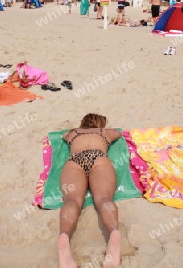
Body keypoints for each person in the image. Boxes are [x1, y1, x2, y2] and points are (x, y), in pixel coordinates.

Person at [58, 113, 122, 268]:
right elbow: (118, 132)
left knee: (72, 200)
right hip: (98, 157)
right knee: (104, 199)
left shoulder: (74, 133)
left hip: (75, 160)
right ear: (101, 124)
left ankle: (64, 237)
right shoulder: (103, 132)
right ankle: (114, 232)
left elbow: (63, 135)